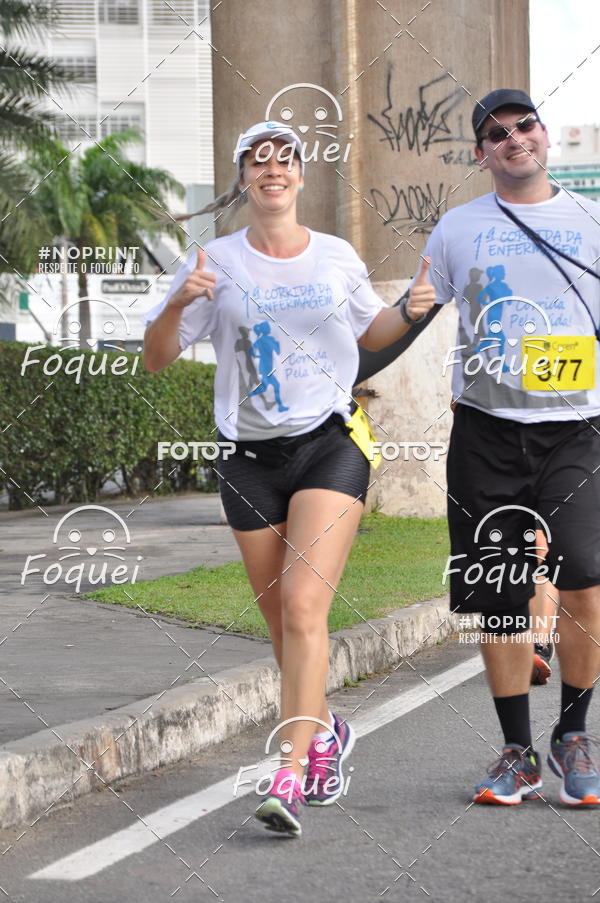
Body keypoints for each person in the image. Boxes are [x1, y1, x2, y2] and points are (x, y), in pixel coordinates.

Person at [141, 121, 436, 836]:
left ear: (301, 176)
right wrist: (182, 300)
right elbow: (155, 356)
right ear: (244, 177)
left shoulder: (335, 256)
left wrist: (410, 311)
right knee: (282, 625)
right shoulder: (212, 259)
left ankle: (291, 772)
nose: (272, 168)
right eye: (257, 158)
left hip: (329, 445)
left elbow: (370, 334)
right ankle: (327, 728)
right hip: (247, 459)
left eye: (284, 158)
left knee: (305, 608)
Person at [358, 89, 600, 807]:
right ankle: (516, 752)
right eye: (496, 134)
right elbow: (413, 316)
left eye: (524, 126)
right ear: (480, 152)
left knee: (584, 578)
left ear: (544, 135)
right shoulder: (458, 228)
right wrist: (361, 359)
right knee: (496, 596)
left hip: (578, 427)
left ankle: (574, 733)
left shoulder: (590, 219)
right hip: (487, 431)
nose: (513, 139)